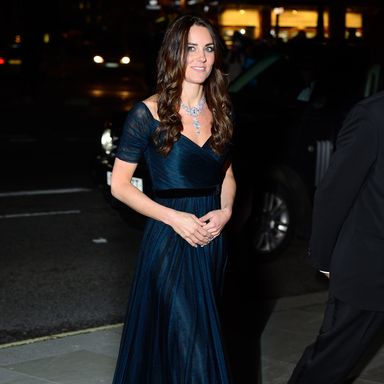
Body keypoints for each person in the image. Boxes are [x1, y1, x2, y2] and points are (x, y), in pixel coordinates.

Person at [110, 14, 236, 384]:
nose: (200, 58)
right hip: (169, 239)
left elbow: (227, 175)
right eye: (190, 49)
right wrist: (175, 218)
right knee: (192, 348)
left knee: (185, 344)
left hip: (211, 239)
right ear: (173, 55)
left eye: (208, 49)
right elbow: (120, 186)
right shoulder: (145, 113)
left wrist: (226, 211)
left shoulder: (223, 111)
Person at [288, 89, 384, 383]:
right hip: (370, 266)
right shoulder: (373, 115)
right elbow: (335, 190)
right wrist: (324, 257)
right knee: (330, 365)